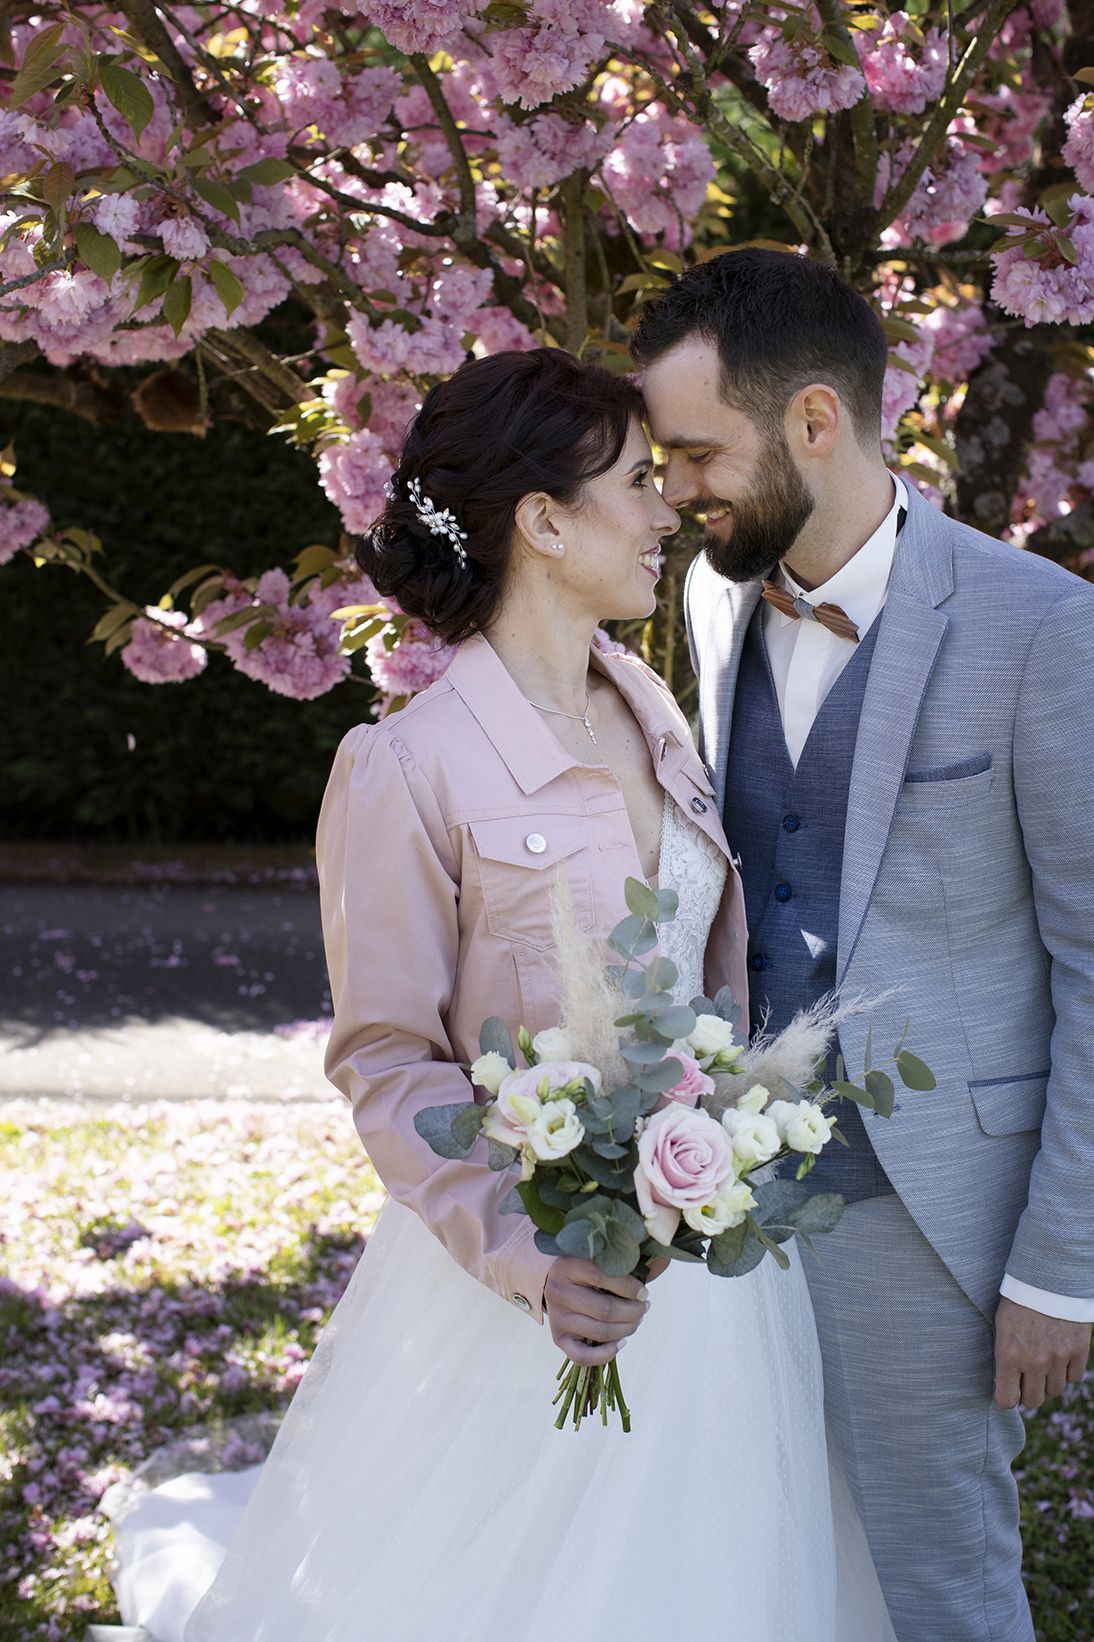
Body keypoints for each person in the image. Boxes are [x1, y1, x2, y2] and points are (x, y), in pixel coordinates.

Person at [106, 347, 894, 1641]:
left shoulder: (656, 717)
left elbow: (709, 983)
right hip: (522, 1295)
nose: (664, 511)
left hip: (712, 1284)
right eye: (638, 483)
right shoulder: (403, 768)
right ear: (542, 520)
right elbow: (386, 1060)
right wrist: (533, 1254)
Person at [634, 247, 1094, 1642]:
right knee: (768, 1555)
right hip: (725, 1200)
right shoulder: (718, 601)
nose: (674, 491)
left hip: (931, 1208)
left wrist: (1061, 1267)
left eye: (697, 454)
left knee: (932, 1575)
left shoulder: (1038, 629)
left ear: (814, 420)